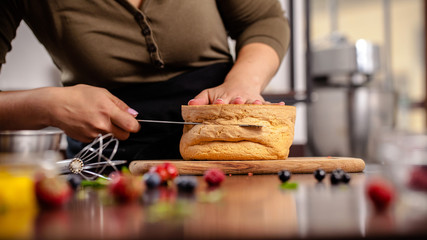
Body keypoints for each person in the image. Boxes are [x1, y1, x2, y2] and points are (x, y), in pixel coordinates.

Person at [0, 0, 290, 160]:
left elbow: (263, 19)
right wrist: (45, 106)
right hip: (106, 166)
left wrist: (242, 83)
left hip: (228, 157)